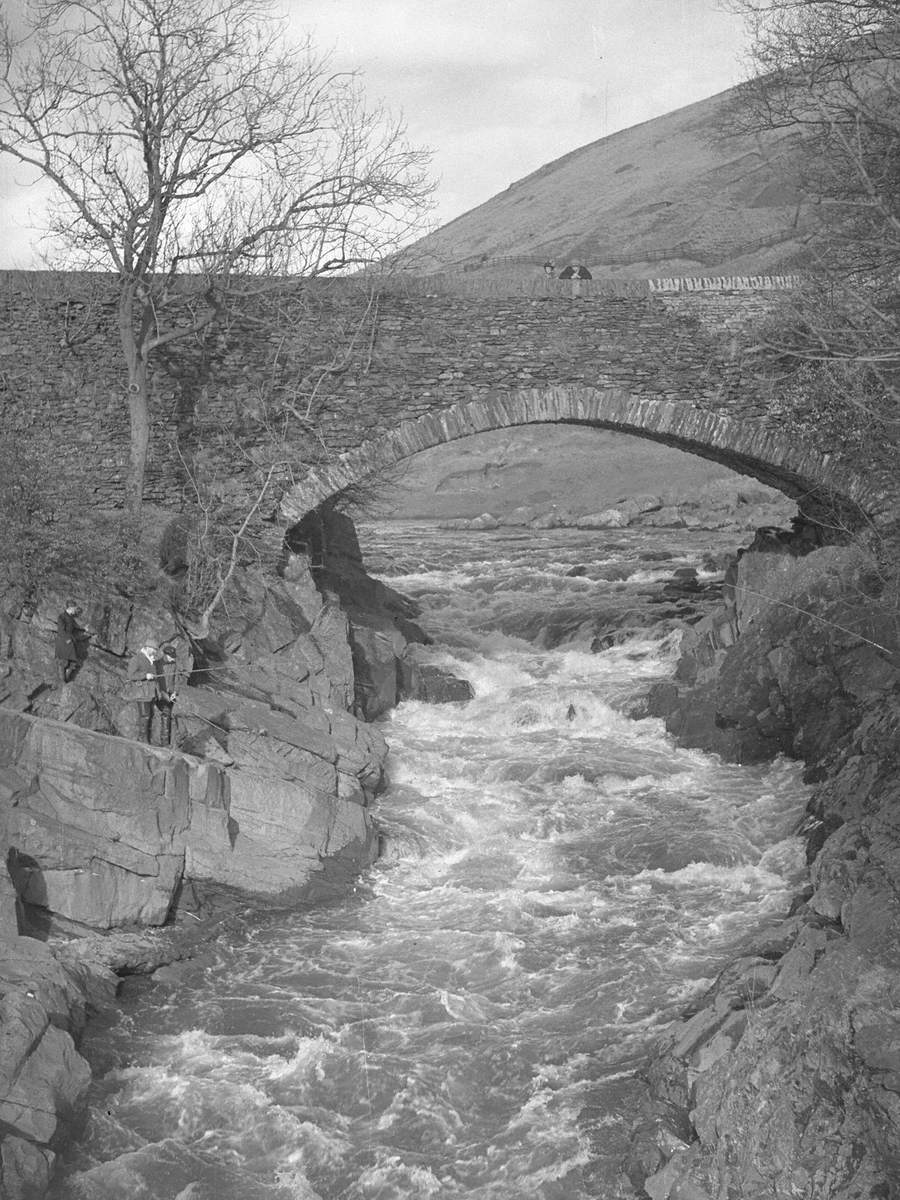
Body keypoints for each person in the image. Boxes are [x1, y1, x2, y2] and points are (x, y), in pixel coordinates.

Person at [123, 644, 162, 744]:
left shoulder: (151, 659)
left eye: (155, 650)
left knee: (149, 715)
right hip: (141, 693)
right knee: (145, 716)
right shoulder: (136, 658)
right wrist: (145, 675)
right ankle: (143, 739)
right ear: (147, 647)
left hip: (150, 693)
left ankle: (146, 738)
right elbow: (130, 675)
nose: (154, 651)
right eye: (153, 649)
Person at [54, 600, 90, 683]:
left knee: (73, 663)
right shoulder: (61, 617)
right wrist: (67, 639)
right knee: (63, 663)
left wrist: (84, 628)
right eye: (75, 608)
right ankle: (62, 682)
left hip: (70, 642)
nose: (75, 610)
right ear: (70, 608)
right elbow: (61, 631)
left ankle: (65, 681)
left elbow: (76, 626)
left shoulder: (70, 618)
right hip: (63, 642)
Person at [154, 643, 180, 747]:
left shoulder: (174, 665)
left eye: (174, 657)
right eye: (171, 657)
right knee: (164, 714)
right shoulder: (156, 664)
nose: (173, 659)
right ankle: (162, 742)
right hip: (159, 694)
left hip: (170, 695)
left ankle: (166, 742)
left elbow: (177, 680)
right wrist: (161, 694)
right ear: (165, 654)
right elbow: (155, 682)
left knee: (168, 715)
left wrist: (175, 692)